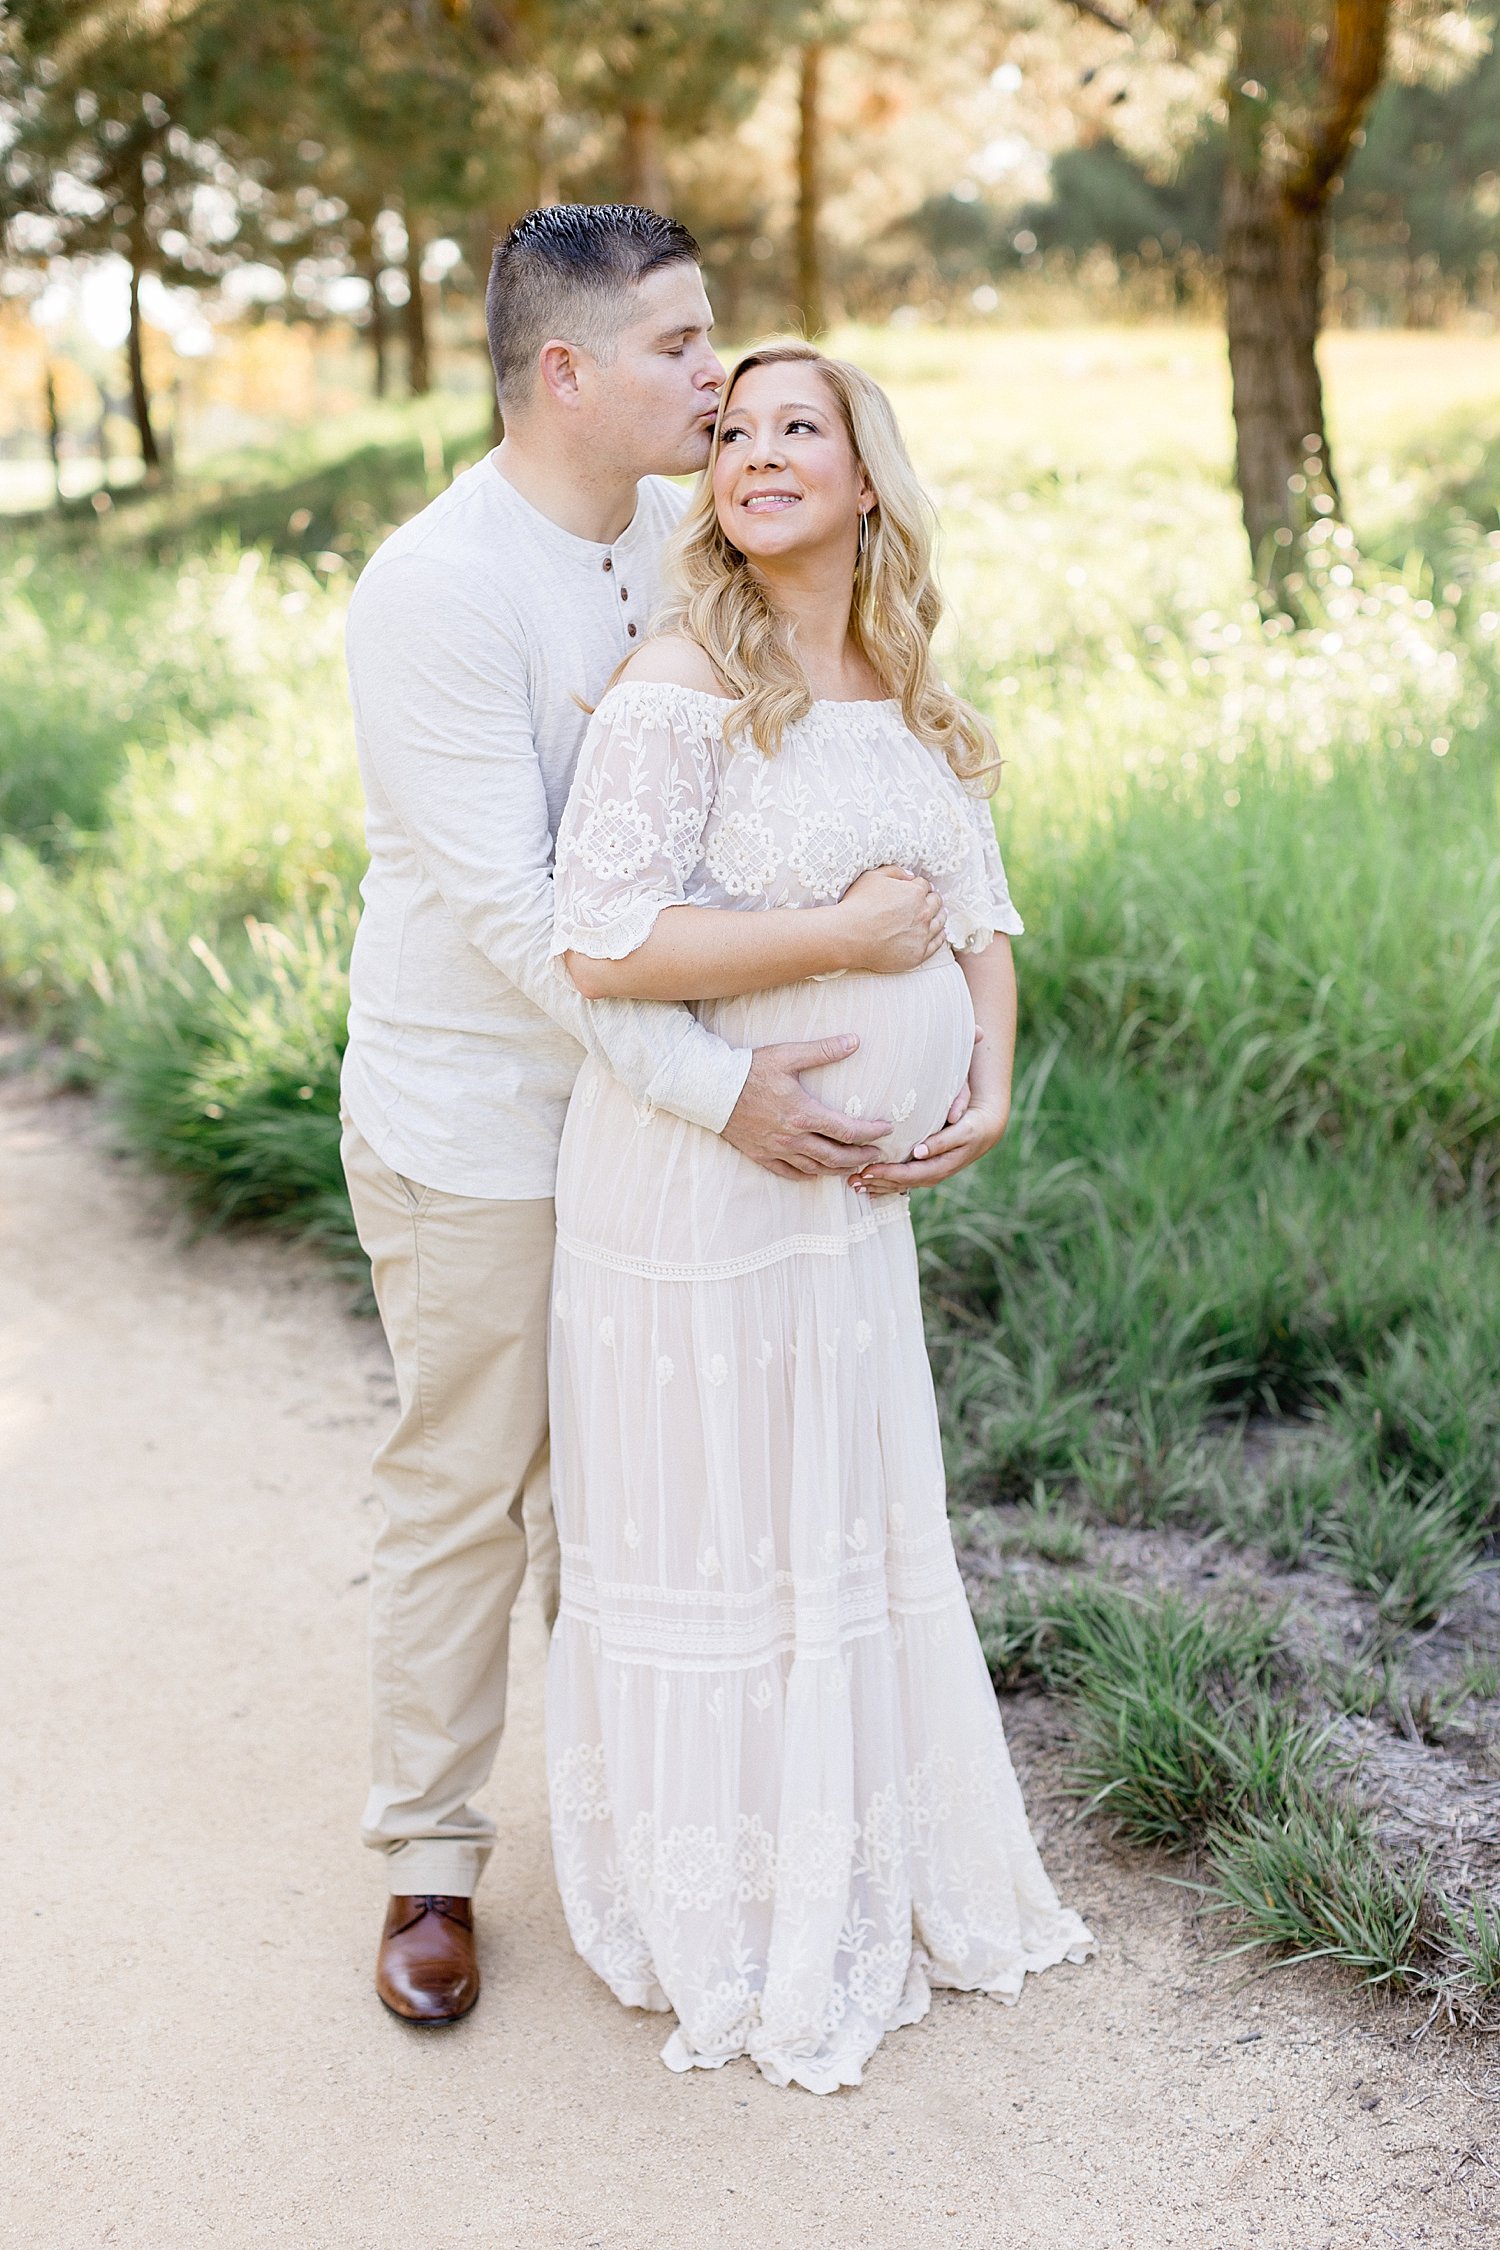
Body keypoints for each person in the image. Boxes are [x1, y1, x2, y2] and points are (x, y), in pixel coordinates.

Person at [340, 207, 946, 2023]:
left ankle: (644, 1834)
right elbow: (537, 925)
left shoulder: (677, 563)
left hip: (656, 1139)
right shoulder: (437, 589)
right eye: (684, 348)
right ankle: (428, 1859)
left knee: (645, 1497)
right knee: (476, 1488)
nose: (718, 374)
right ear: (568, 371)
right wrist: (722, 1085)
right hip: (484, 1118)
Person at [545, 342, 1096, 2092]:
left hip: (851, 1209)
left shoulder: (906, 669)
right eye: (735, 431)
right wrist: (840, 950)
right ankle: (735, 1906)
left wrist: (990, 1074)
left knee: (834, 1519)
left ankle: (862, 1866)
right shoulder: (674, 676)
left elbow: (976, 912)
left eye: (804, 428)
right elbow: (606, 943)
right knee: (726, 1528)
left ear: (868, 475)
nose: (761, 451)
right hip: (699, 1184)